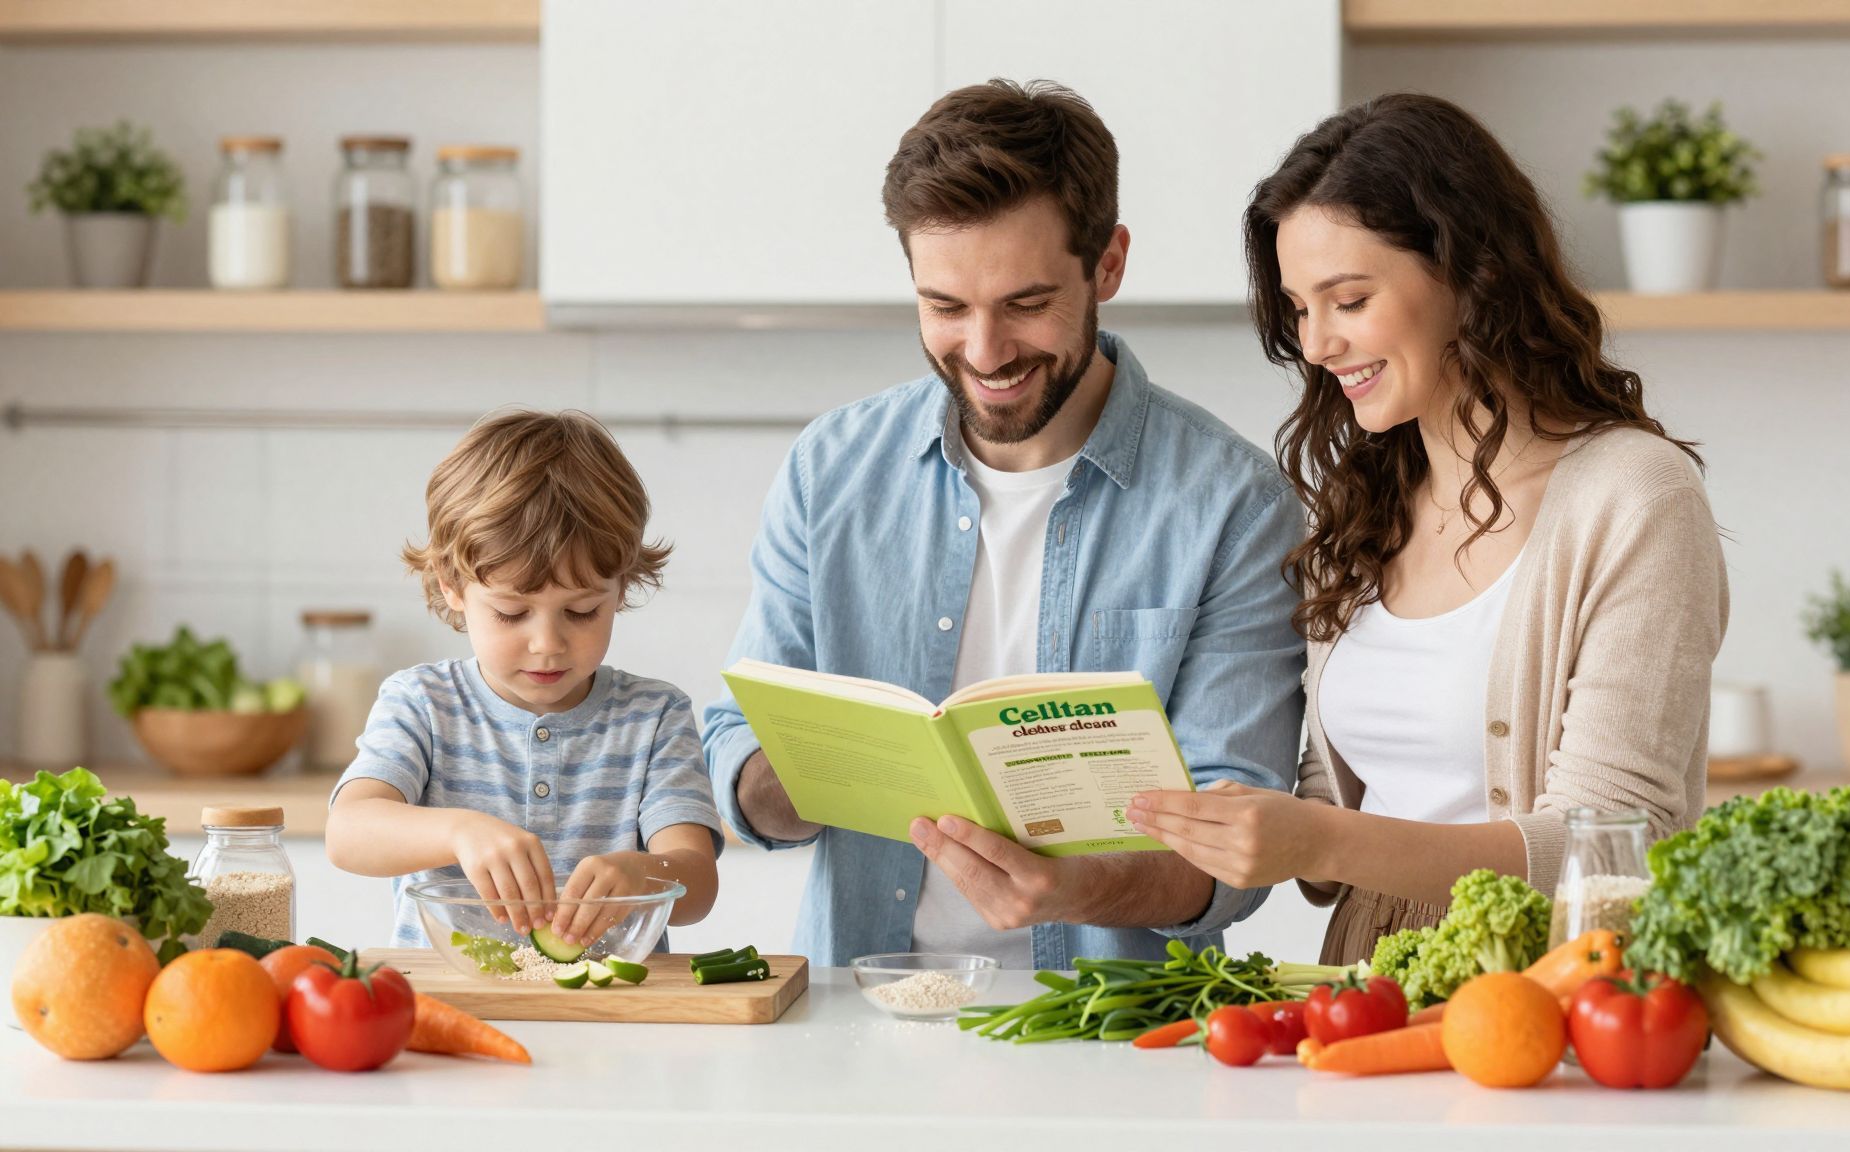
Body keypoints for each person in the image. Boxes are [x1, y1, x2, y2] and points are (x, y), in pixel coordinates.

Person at [700, 80, 1306, 969]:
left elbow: (1235, 850)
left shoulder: (1233, 504)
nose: (984, 354)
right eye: (945, 308)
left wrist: (1077, 887)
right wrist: (797, 778)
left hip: (1107, 1033)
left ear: (1107, 264)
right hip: (862, 1013)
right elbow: (734, 745)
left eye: (1025, 304)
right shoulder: (831, 468)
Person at [1127, 93, 1728, 963]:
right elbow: (1332, 823)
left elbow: (1610, 845)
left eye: (1349, 299)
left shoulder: (1635, 498)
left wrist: (1316, 839)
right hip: (1364, 983)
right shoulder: (1366, 506)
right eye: (1300, 308)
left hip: (1547, 989)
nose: (1318, 344)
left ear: (1467, 273)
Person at [327, 409, 722, 951]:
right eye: (512, 613)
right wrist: (457, 831)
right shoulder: (422, 703)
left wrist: (643, 875)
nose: (548, 643)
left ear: (622, 587)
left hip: (615, 1011)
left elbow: (698, 882)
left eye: (582, 611)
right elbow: (348, 833)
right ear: (453, 588)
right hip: (447, 1007)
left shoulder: (653, 716)